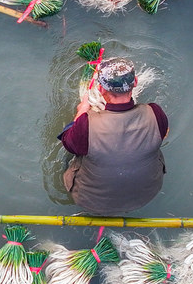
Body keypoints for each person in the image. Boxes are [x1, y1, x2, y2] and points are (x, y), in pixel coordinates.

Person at [58, 58, 168, 215]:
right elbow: (163, 134)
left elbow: (68, 142)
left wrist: (81, 111)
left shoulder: (86, 124)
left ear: (101, 89)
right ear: (135, 82)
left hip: (91, 201)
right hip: (146, 195)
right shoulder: (155, 113)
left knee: (70, 155)